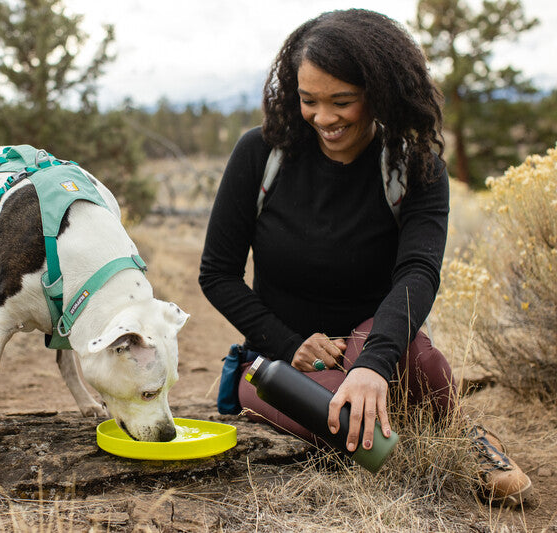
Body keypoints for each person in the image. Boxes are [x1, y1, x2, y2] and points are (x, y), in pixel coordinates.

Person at [198, 8, 531, 506]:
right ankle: (396, 429)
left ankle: (461, 435)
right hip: (281, 362)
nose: (323, 118)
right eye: (309, 101)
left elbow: (418, 272)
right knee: (325, 409)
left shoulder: (414, 167)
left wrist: (373, 363)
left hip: (379, 342)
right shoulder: (259, 154)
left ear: (379, 92)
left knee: (416, 359)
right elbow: (217, 274)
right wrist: (290, 344)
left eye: (342, 101)